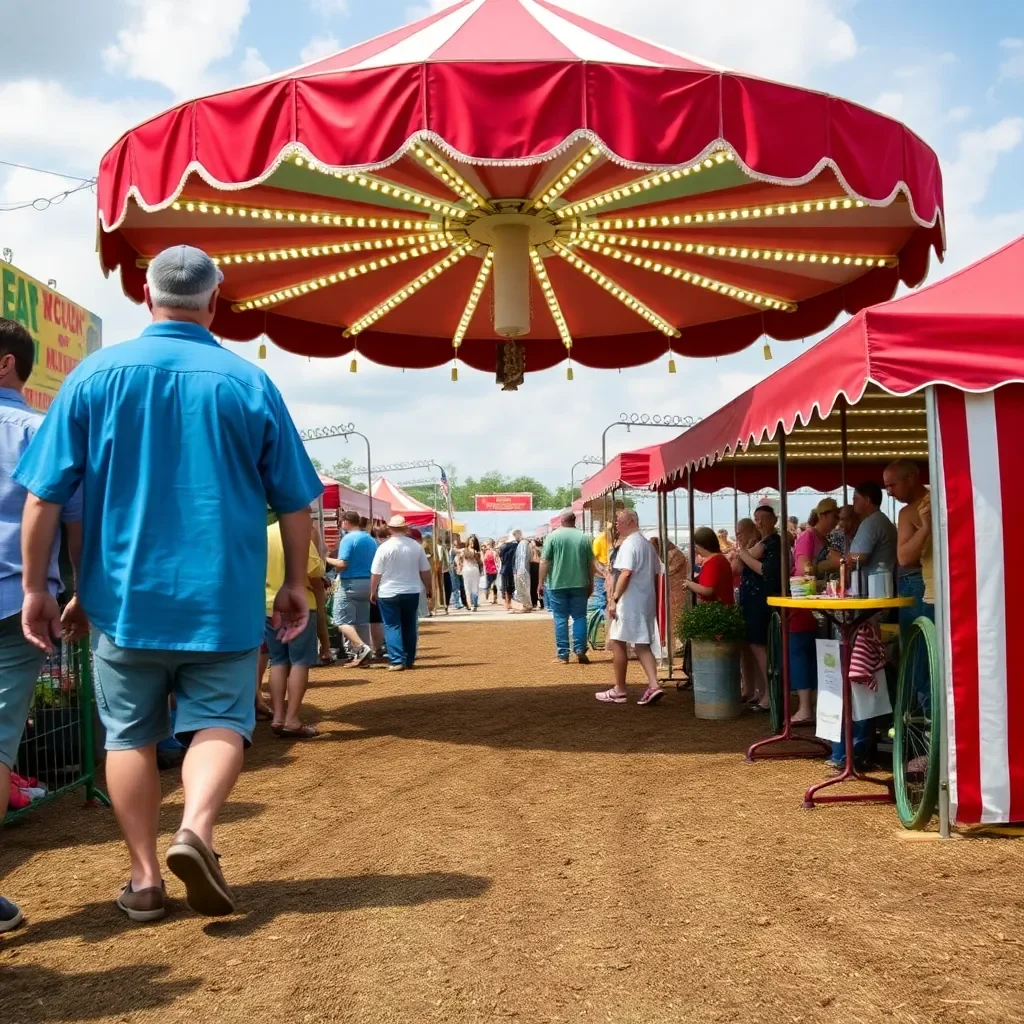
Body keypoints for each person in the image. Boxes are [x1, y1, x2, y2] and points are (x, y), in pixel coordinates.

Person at [14, 246, 321, 922]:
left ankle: (145, 877)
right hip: (223, 598)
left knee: (128, 734)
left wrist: (38, 586)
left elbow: (41, 497)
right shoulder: (248, 381)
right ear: (216, 299)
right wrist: (295, 580)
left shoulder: (94, 376)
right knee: (219, 721)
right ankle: (197, 832)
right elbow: (297, 499)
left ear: (146, 298)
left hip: (121, 600)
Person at [0, 318, 84, 933]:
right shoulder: (38, 431)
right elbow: (71, 517)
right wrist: (78, 590)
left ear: (6, 363)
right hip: (15, 607)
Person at [597, 510, 664, 706]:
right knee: (642, 644)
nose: (617, 524)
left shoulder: (630, 544)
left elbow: (625, 574)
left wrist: (614, 599)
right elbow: (655, 573)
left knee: (618, 641)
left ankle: (620, 689)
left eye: (620, 521)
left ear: (631, 521)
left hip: (630, 602)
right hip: (644, 600)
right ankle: (654, 683)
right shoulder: (646, 544)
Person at [265, 520, 324, 738]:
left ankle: (278, 717)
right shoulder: (298, 532)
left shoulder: (265, 532)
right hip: (301, 605)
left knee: (278, 661)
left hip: (269, 605)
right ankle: (292, 719)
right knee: (300, 661)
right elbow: (316, 570)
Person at [788, 498, 840, 725]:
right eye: (835, 516)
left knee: (816, 653)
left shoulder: (822, 538)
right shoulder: (808, 537)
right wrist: (826, 569)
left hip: (817, 601)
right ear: (824, 515)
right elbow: (803, 569)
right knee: (802, 652)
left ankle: (814, 706)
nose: (837, 521)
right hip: (804, 602)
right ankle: (805, 707)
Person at [733, 505, 783, 711]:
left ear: (774, 519)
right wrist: (745, 554)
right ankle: (762, 691)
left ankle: (771, 694)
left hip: (762, 600)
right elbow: (738, 564)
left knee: (759, 645)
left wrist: (744, 554)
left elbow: (764, 570)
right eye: (756, 518)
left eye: (763, 518)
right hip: (751, 599)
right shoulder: (762, 542)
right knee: (753, 645)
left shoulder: (774, 542)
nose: (760, 522)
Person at [370, 515, 433, 671]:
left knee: (392, 625)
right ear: (405, 528)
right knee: (410, 625)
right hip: (411, 590)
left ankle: (397, 660)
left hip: (388, 591)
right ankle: (409, 659)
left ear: (390, 529)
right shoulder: (416, 546)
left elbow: (376, 573)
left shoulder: (383, 547)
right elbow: (425, 571)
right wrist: (429, 588)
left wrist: (372, 591)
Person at [539, 511, 595, 664]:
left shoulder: (553, 537)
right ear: (574, 520)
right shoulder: (584, 538)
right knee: (580, 617)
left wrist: (540, 582)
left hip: (557, 584)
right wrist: (591, 582)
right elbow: (591, 564)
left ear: (562, 520)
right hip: (580, 583)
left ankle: (563, 654)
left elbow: (544, 561)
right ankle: (580, 649)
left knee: (560, 617)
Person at [885, 460, 934, 633]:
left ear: (911, 479)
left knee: (918, 649)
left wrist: (925, 528)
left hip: (932, 593)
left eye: (892, 485)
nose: (889, 493)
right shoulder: (929, 503)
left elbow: (904, 558)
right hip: (934, 589)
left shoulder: (912, 511)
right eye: (887, 487)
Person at [326, 510, 376, 666]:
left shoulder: (348, 539)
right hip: (368, 582)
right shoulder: (370, 540)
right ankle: (364, 656)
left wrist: (326, 559)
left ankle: (361, 647)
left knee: (340, 619)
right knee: (362, 622)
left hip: (350, 583)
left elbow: (342, 564)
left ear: (346, 522)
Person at [649, 536, 689, 640]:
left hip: (675, 591)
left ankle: (677, 642)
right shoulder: (667, 555)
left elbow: (663, 569)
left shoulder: (674, 554)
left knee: (675, 617)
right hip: (668, 590)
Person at [683, 527, 734, 604]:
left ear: (702, 546)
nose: (696, 550)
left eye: (696, 547)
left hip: (717, 610)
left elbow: (707, 590)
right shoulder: (718, 558)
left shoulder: (713, 562)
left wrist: (689, 584)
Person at [499, 531, 520, 612]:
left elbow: (501, 557)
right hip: (513, 568)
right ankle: (509, 602)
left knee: (506, 586)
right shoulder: (516, 546)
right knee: (511, 586)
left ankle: (507, 603)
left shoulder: (503, 546)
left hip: (504, 568)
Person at [461, 535, 483, 612]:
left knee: (467, 588)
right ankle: (475, 605)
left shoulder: (464, 551)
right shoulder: (477, 552)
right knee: (475, 588)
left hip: (466, 570)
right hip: (475, 570)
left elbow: (460, 560)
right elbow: (480, 562)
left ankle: (469, 605)